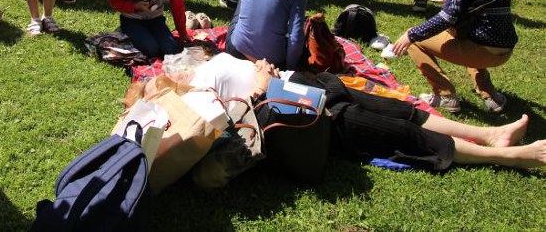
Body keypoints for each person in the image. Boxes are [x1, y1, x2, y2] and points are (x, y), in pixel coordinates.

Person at [128, 53, 546, 173]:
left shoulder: (201, 68)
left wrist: (262, 66)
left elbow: (246, 66)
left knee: (400, 108)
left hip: (304, 82)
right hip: (300, 111)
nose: (162, 76)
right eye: (155, 83)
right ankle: (506, 155)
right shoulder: (195, 107)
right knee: (393, 130)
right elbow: (238, 129)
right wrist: (260, 85)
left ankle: (487, 133)